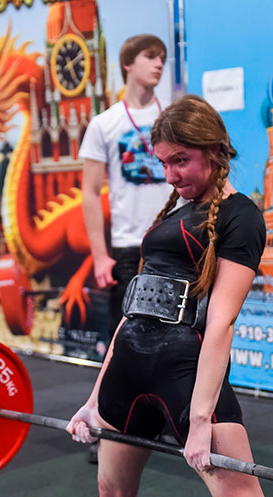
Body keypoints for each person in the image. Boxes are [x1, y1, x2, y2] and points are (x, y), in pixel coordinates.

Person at [28, 95, 273, 497]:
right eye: (163, 163)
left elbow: (221, 321)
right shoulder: (176, 212)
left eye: (180, 160)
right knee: (112, 492)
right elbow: (133, 313)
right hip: (128, 371)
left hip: (186, 379)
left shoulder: (241, 217)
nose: (170, 174)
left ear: (214, 150)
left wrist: (201, 419)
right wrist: (94, 398)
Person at [79, 34, 173, 334]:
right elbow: (90, 193)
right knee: (126, 338)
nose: (159, 64)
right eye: (150, 56)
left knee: (177, 335)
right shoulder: (104, 124)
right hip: (129, 246)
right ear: (127, 64)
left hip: (176, 240)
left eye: (162, 58)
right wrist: (100, 257)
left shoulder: (174, 115)